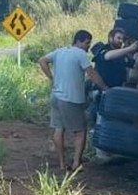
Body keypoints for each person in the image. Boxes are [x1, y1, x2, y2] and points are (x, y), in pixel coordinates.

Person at [38, 29, 106, 173]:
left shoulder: (60, 51)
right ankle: (76, 163)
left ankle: (62, 164)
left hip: (56, 97)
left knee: (58, 129)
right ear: (79, 41)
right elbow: (92, 74)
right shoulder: (80, 54)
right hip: (71, 99)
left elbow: (42, 60)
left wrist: (51, 78)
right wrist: (105, 88)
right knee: (80, 131)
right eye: (87, 43)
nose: (88, 46)